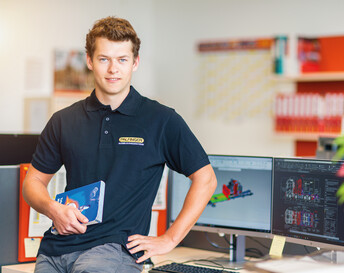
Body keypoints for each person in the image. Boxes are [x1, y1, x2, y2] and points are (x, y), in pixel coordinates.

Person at [22, 16, 217, 273]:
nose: (113, 69)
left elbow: (206, 179)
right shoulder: (63, 120)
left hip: (112, 251)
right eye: (104, 59)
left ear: (135, 63)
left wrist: (170, 238)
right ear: (90, 61)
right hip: (55, 248)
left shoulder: (161, 120)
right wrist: (52, 209)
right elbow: (32, 183)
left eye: (122, 60)